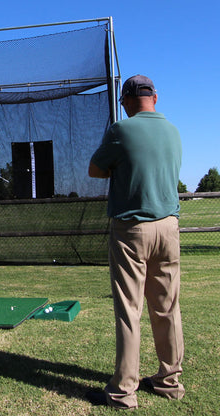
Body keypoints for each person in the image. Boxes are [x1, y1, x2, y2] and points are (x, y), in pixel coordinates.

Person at [87, 75, 184, 409]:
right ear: (155, 97)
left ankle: (122, 391)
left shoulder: (120, 130)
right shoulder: (173, 130)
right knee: (167, 307)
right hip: (169, 228)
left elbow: (95, 170)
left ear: (127, 99)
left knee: (130, 309)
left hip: (132, 228)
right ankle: (169, 381)